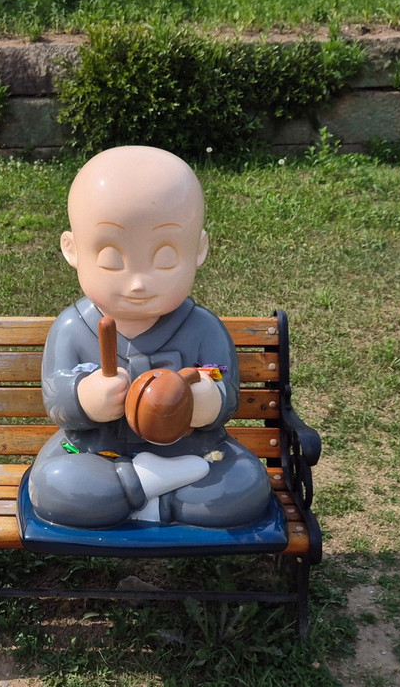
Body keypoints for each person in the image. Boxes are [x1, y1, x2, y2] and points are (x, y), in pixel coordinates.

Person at [28, 145, 274, 529]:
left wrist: (205, 396)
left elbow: (220, 375)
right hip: (96, 451)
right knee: (55, 484)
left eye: (164, 259)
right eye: (112, 258)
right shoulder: (73, 327)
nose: (139, 282)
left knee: (245, 484)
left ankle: (137, 496)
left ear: (199, 250)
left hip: (193, 451)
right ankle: (158, 492)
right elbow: (55, 394)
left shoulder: (203, 327)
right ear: (72, 249)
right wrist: (86, 397)